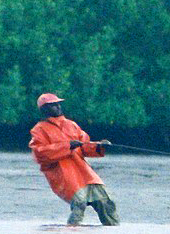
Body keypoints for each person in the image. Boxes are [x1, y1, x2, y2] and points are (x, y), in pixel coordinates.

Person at [28, 93, 119, 226]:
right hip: (64, 175)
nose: (58, 107)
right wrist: (67, 146)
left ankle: (114, 232)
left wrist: (99, 146)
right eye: (53, 105)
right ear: (44, 109)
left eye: (58, 104)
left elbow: (85, 146)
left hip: (85, 174)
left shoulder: (71, 125)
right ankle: (71, 233)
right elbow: (40, 154)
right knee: (79, 203)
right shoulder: (39, 130)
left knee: (106, 202)